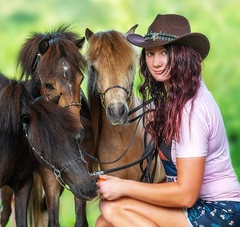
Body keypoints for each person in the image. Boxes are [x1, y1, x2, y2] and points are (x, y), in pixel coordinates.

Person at [95, 14, 240, 227]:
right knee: (103, 223)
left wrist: (123, 186)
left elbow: (186, 195)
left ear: (183, 54)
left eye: (165, 52)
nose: (156, 62)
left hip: (218, 211)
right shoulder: (176, 98)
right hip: (194, 205)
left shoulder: (193, 109)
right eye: (150, 53)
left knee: (112, 208)